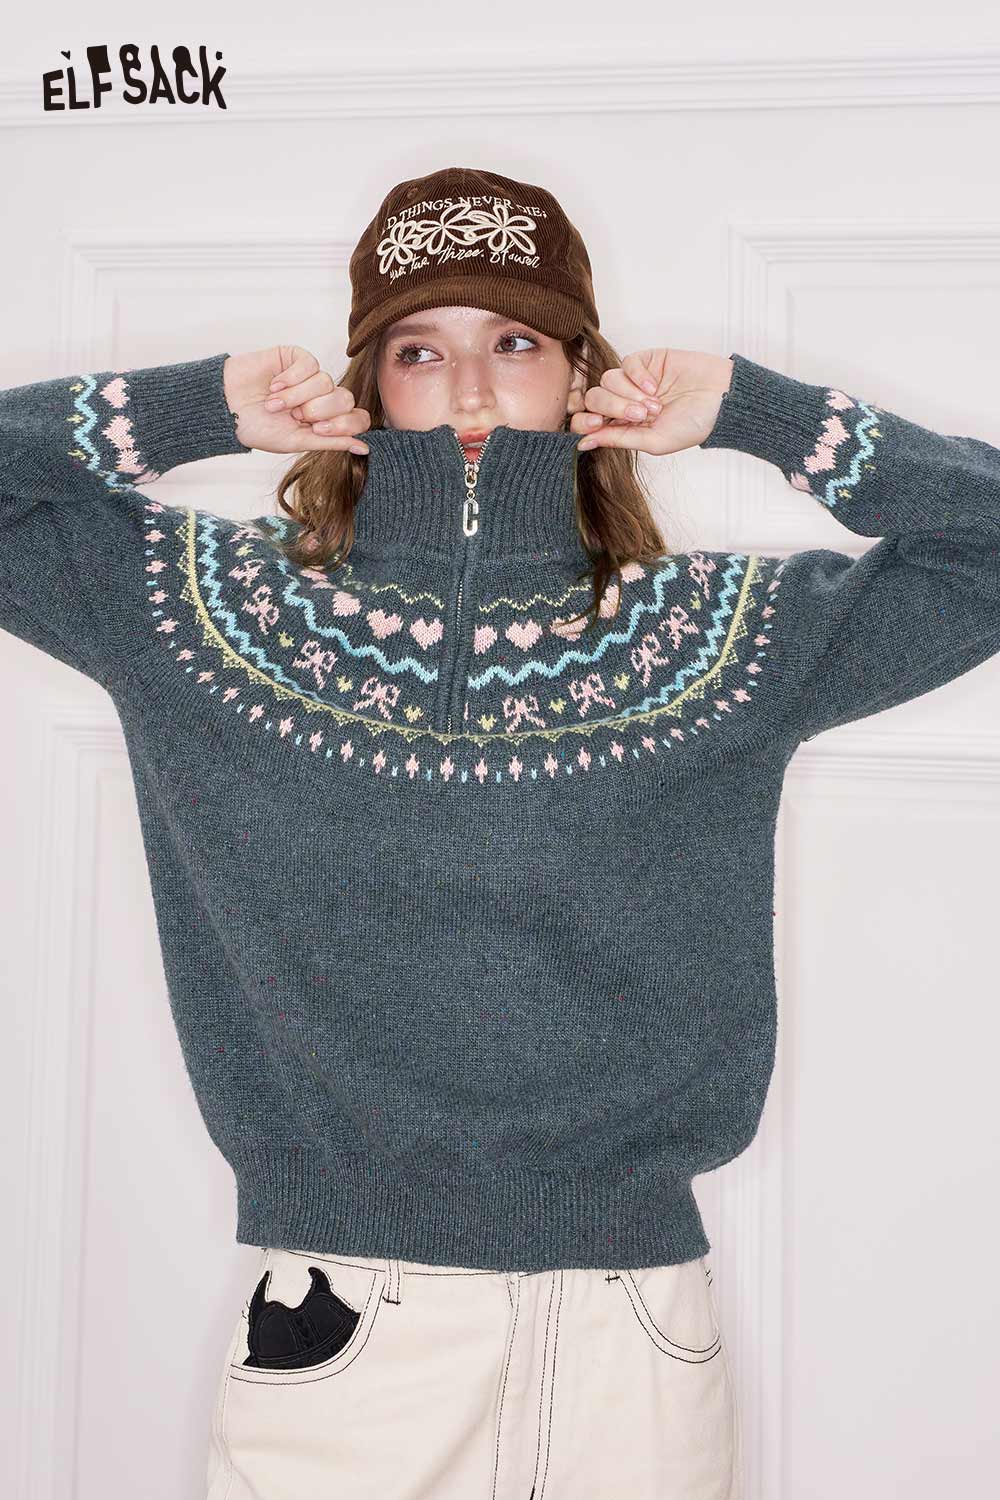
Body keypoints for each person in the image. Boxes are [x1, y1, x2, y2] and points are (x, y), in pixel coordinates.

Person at [2, 165, 999, 1500]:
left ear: (583, 375)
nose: (471, 394)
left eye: (516, 344)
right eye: (420, 352)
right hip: (344, 1326)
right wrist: (192, 407)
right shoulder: (199, 615)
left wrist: (755, 410)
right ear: (369, 388)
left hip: (636, 1327)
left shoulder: (717, 642)